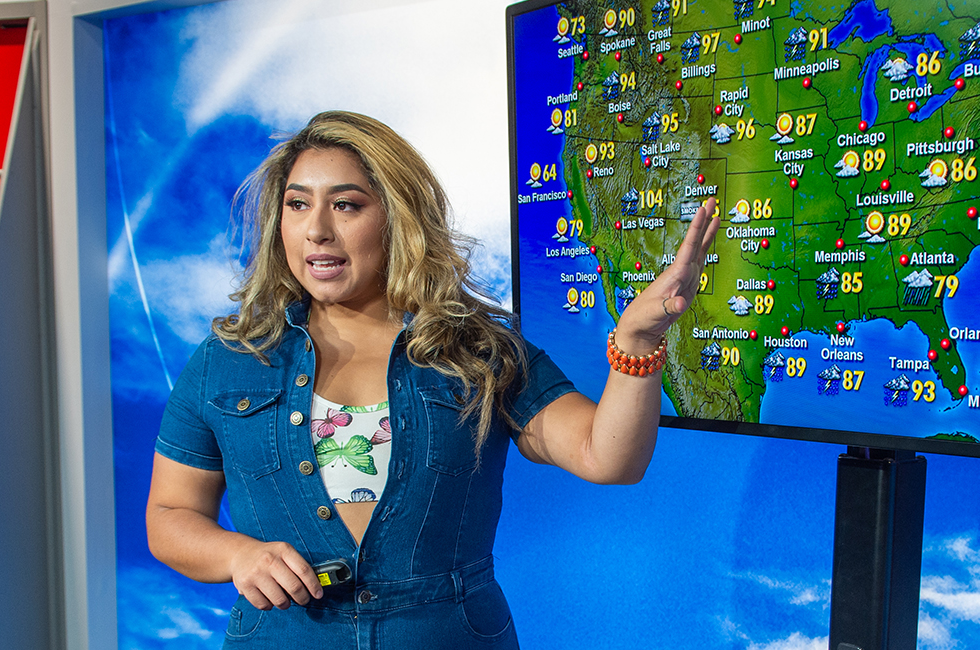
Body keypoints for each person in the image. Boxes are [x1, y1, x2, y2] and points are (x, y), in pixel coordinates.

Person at [145, 111, 719, 647]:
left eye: (345, 205)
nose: (316, 230)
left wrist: (637, 344)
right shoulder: (227, 360)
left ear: (397, 217)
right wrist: (237, 555)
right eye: (298, 205)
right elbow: (170, 518)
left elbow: (608, 456)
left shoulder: (479, 351)